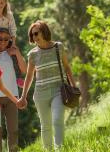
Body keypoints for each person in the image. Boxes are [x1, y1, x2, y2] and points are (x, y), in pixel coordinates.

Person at [17, 20, 77, 150]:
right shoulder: (33, 54)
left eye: (36, 33)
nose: (34, 37)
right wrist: (23, 97)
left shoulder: (58, 47)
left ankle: (59, 149)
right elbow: (29, 76)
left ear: (44, 32)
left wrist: (73, 85)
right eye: (32, 35)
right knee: (45, 126)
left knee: (57, 121)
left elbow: (67, 67)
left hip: (58, 91)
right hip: (40, 93)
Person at [0, 28, 27, 152]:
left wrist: (17, 53)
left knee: (13, 130)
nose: (3, 41)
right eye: (0, 38)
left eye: (6, 39)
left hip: (12, 97)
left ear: (10, 40)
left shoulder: (12, 53)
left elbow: (24, 70)